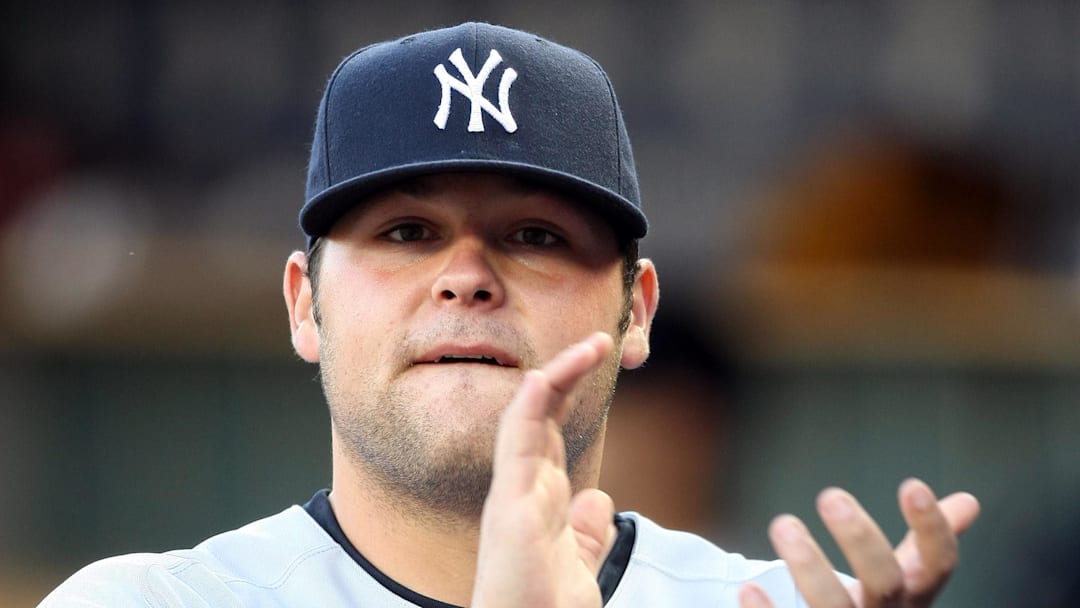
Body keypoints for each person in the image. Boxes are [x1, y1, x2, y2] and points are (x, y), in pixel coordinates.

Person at [39, 22, 980, 608]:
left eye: (534, 235)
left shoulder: (783, 607)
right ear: (304, 305)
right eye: (406, 232)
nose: (467, 277)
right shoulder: (147, 603)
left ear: (635, 312)